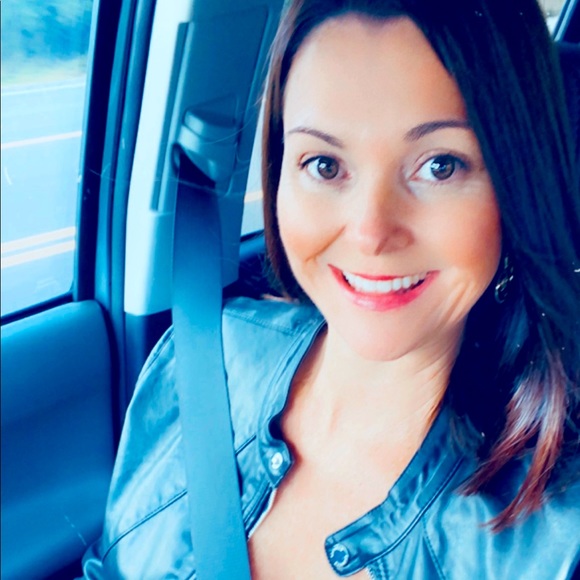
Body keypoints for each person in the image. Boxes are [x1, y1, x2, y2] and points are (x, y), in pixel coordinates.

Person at [82, 0, 580, 577]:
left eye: (440, 166)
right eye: (323, 165)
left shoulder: (557, 539)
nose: (370, 231)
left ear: (517, 187)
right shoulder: (200, 360)